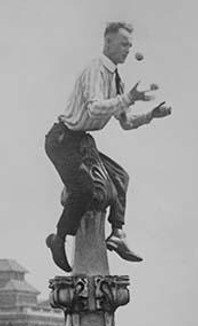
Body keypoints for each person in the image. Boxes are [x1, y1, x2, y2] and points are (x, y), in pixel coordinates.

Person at [45, 21, 172, 272]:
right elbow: (94, 107)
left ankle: (117, 233)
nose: (127, 49)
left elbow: (125, 121)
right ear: (108, 42)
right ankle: (58, 238)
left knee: (120, 177)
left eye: (130, 45)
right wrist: (127, 98)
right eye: (123, 44)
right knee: (84, 189)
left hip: (82, 141)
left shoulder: (116, 79)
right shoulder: (95, 70)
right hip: (62, 140)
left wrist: (150, 115)